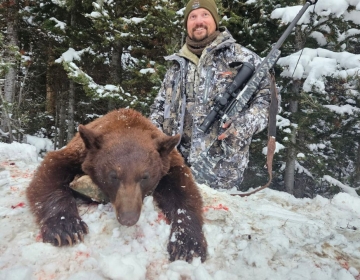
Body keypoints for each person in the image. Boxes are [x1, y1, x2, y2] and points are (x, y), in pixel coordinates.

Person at [149, 0, 272, 190]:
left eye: (205, 15)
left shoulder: (244, 58)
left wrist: (243, 124)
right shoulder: (177, 65)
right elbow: (159, 107)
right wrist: (154, 142)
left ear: (215, 20)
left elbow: (267, 102)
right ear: (187, 24)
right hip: (172, 172)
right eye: (193, 17)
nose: (199, 21)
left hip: (221, 173)